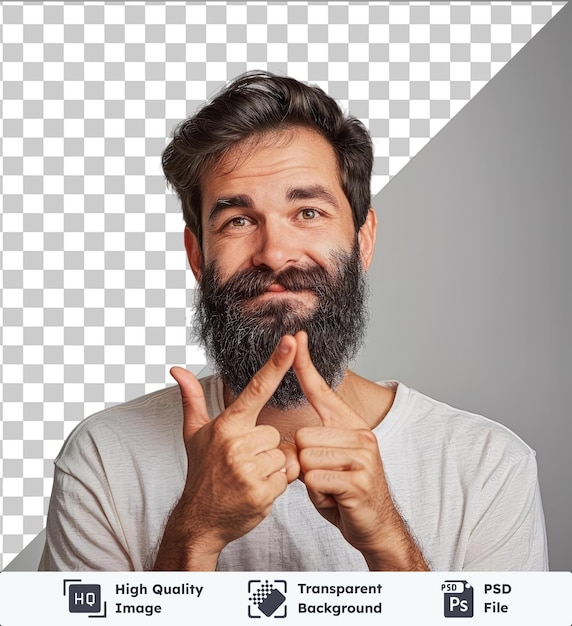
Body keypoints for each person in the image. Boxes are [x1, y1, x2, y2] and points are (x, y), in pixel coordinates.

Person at [40, 71, 548, 571]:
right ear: (198, 256)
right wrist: (195, 529)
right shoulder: (104, 459)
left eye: (307, 212)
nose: (275, 254)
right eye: (238, 220)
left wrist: (390, 545)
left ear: (363, 239)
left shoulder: (487, 465)